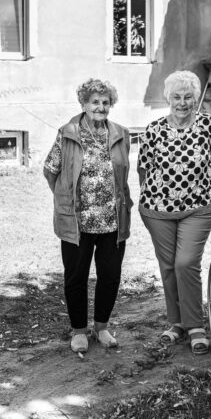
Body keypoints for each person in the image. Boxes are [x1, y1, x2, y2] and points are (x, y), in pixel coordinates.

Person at [137, 70, 211, 354]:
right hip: (157, 211)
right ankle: (176, 324)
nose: (182, 102)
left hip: (197, 208)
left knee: (185, 263)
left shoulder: (207, 125)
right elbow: (142, 168)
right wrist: (149, 196)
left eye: (188, 96)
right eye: (176, 96)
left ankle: (195, 325)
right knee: (167, 267)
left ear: (195, 98)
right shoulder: (152, 129)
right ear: (168, 99)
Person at [43, 78, 132, 354]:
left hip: (112, 220)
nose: (100, 107)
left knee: (110, 276)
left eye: (105, 102)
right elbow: (51, 170)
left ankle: (102, 327)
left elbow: (122, 173)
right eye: (95, 102)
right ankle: (80, 331)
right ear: (83, 104)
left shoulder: (121, 133)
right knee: (76, 277)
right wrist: (64, 199)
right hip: (77, 221)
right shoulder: (68, 132)